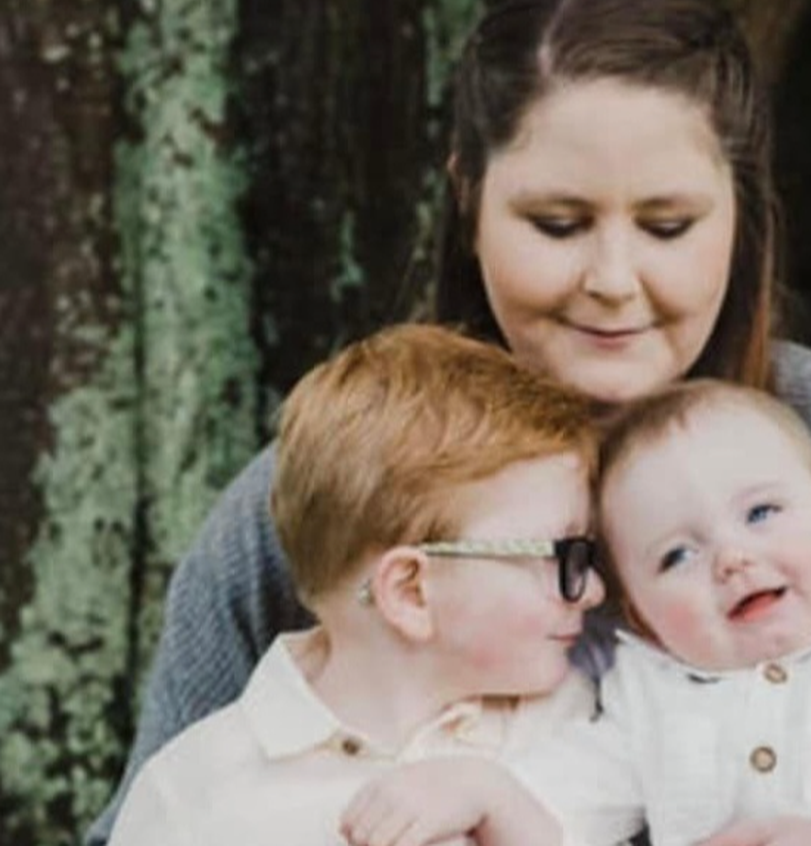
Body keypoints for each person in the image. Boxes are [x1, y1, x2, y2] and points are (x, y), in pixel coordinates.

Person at [88, 0, 811, 846]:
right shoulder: (334, 493)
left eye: (668, 226)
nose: (613, 280)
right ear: (470, 201)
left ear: (741, 212)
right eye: (557, 224)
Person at [338, 379, 811, 846]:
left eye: (762, 513)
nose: (732, 558)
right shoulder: (648, 698)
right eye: (677, 555)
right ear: (641, 617)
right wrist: (475, 788)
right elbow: (563, 809)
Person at [107, 323, 605, 846]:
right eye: (565, 556)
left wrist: (496, 799)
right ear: (411, 591)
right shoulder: (193, 794)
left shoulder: (570, 729)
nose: (593, 590)